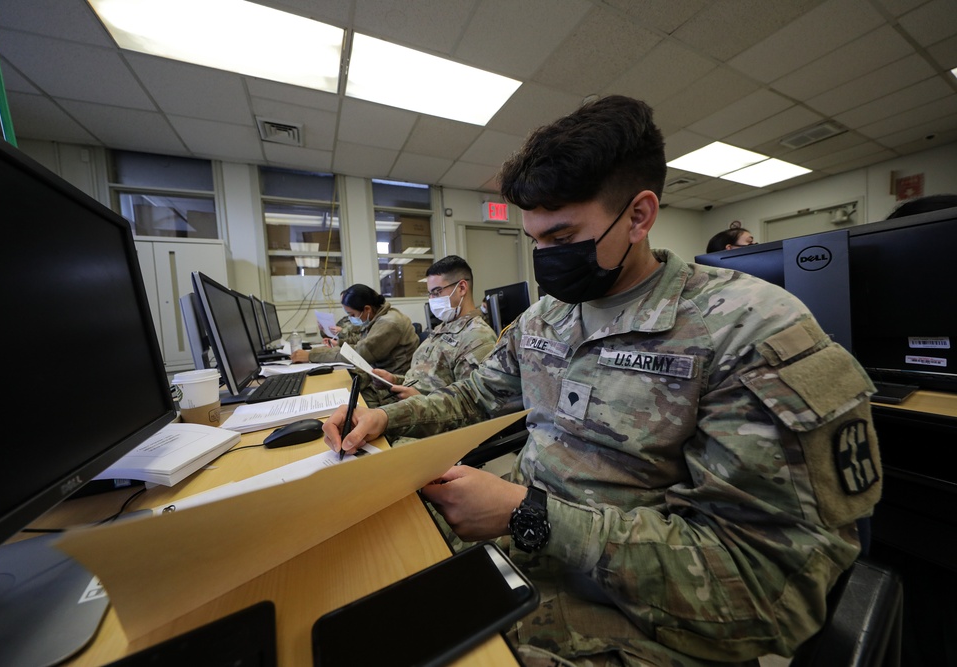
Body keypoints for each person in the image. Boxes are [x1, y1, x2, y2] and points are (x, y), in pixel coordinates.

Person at [323, 95, 882, 666]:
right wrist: (387, 417)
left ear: (639, 216)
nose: (545, 258)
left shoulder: (748, 330)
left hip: (642, 619)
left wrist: (531, 515)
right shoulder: (549, 316)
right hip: (521, 557)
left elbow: (770, 589)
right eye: (534, 241)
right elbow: (477, 395)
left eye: (562, 238)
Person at [369, 255, 497, 430]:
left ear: (461, 288)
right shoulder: (443, 327)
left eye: (437, 292)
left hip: (429, 421)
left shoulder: (477, 337)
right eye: (430, 294)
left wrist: (421, 401)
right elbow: (429, 377)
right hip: (409, 405)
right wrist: (395, 380)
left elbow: (473, 408)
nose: (432, 300)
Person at [292, 284, 418, 377]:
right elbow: (361, 341)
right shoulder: (378, 318)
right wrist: (340, 344)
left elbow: (358, 354)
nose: (351, 319)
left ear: (367, 309)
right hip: (380, 374)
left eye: (352, 315)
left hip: (391, 381)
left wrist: (311, 355)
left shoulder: (389, 323)